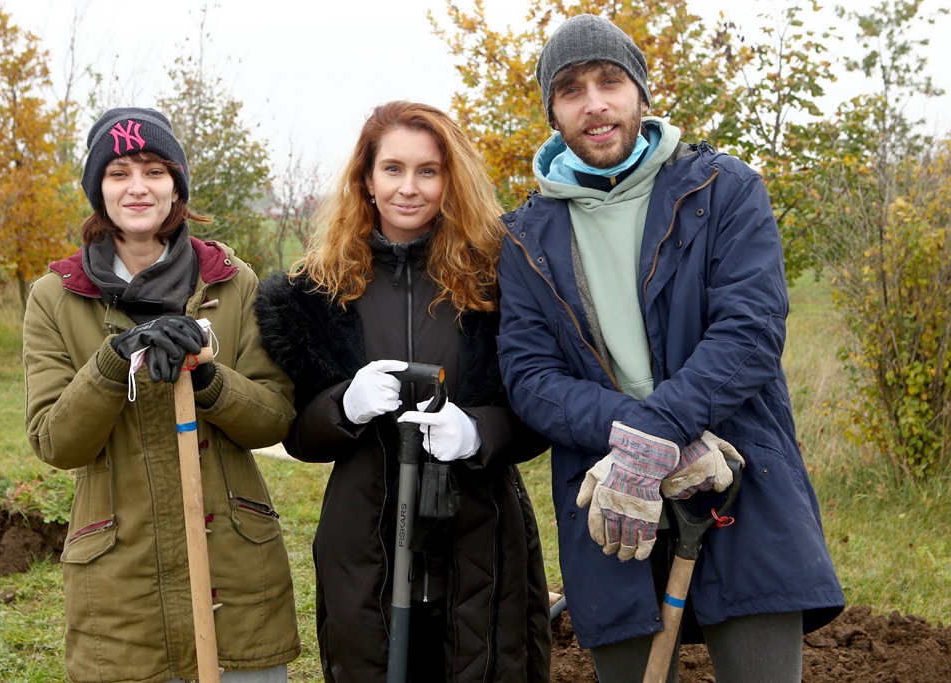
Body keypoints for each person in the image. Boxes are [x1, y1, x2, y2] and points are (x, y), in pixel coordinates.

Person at [495, 14, 846, 683]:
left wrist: (657, 430)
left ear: (641, 92)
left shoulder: (723, 189)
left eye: (610, 81)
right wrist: (639, 443)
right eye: (571, 90)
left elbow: (749, 333)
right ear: (553, 112)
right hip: (608, 495)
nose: (594, 103)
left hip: (736, 475)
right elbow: (530, 376)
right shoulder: (523, 238)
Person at [255, 100, 552, 683]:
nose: (408, 188)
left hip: (480, 535)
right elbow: (299, 438)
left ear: (451, 179)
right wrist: (344, 405)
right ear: (366, 179)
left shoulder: (503, 280)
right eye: (392, 169)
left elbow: (539, 409)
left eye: (428, 170)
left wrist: (476, 432)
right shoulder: (314, 293)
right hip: (365, 538)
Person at [23, 107, 300, 683]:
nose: (138, 187)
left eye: (154, 170)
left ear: (177, 186)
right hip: (121, 593)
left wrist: (207, 381)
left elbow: (275, 417)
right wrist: (114, 361)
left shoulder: (233, 282)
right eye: (118, 172)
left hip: (236, 578)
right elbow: (55, 442)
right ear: (98, 190)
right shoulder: (55, 297)